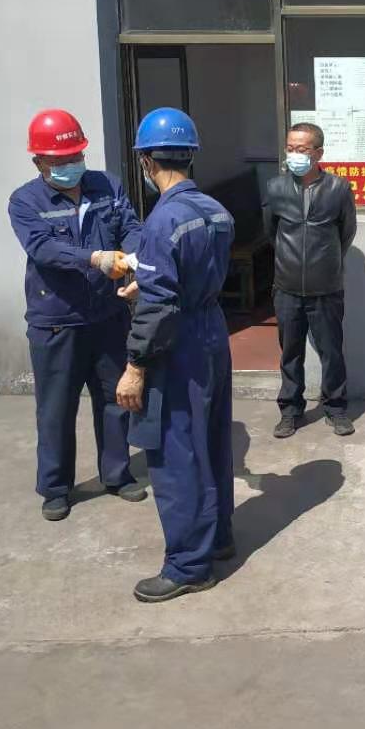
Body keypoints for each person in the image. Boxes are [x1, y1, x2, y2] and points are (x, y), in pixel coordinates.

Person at [113, 107, 236, 603]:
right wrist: (149, 287)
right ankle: (218, 537)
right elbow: (188, 277)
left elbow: (161, 305)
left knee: (175, 451)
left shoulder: (162, 220)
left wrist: (134, 367)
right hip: (211, 331)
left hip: (177, 342)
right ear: (190, 155)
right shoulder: (216, 210)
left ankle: (188, 565)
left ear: (146, 161)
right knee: (212, 441)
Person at [8, 108, 146, 522]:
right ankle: (55, 487)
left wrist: (134, 257)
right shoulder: (25, 201)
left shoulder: (107, 185)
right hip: (57, 320)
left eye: (76, 156)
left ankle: (116, 474)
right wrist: (94, 258)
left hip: (108, 314)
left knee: (116, 399)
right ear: (39, 162)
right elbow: (43, 248)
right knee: (55, 408)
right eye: (60, 160)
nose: (71, 165)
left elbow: (130, 226)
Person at [264, 122, 358, 439]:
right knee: (290, 354)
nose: (294, 154)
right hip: (287, 287)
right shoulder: (275, 188)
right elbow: (271, 232)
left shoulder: (338, 189)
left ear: (318, 153)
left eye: (302, 149)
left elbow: (346, 233)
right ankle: (290, 411)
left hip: (326, 287)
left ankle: (336, 408)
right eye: (290, 148)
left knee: (332, 352)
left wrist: (324, 261)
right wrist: (290, 260)